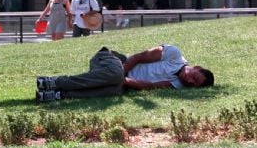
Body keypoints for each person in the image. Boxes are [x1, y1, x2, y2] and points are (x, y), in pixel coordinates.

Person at [35, 44, 214, 102]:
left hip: (120, 79)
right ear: (196, 67)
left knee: (113, 91)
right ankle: (54, 81)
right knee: (114, 78)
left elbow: (151, 86)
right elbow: (138, 57)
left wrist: (126, 82)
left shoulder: (178, 85)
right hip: (112, 60)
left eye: (193, 84)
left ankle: (58, 94)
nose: (190, 81)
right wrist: (121, 75)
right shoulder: (174, 54)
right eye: (194, 77)